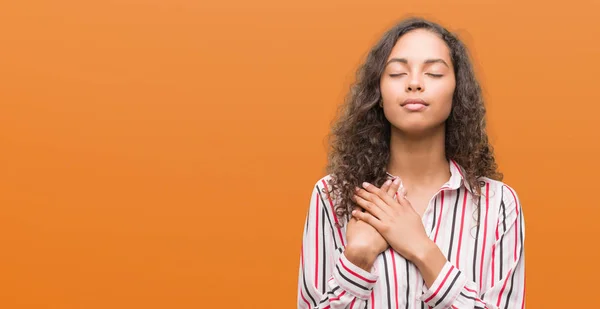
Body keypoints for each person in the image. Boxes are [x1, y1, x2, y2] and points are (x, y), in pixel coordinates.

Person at [297, 17, 525, 309]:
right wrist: (358, 259)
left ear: (457, 93)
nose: (415, 84)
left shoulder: (499, 204)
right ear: (378, 95)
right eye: (396, 73)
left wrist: (422, 250)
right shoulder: (332, 196)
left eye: (433, 73)